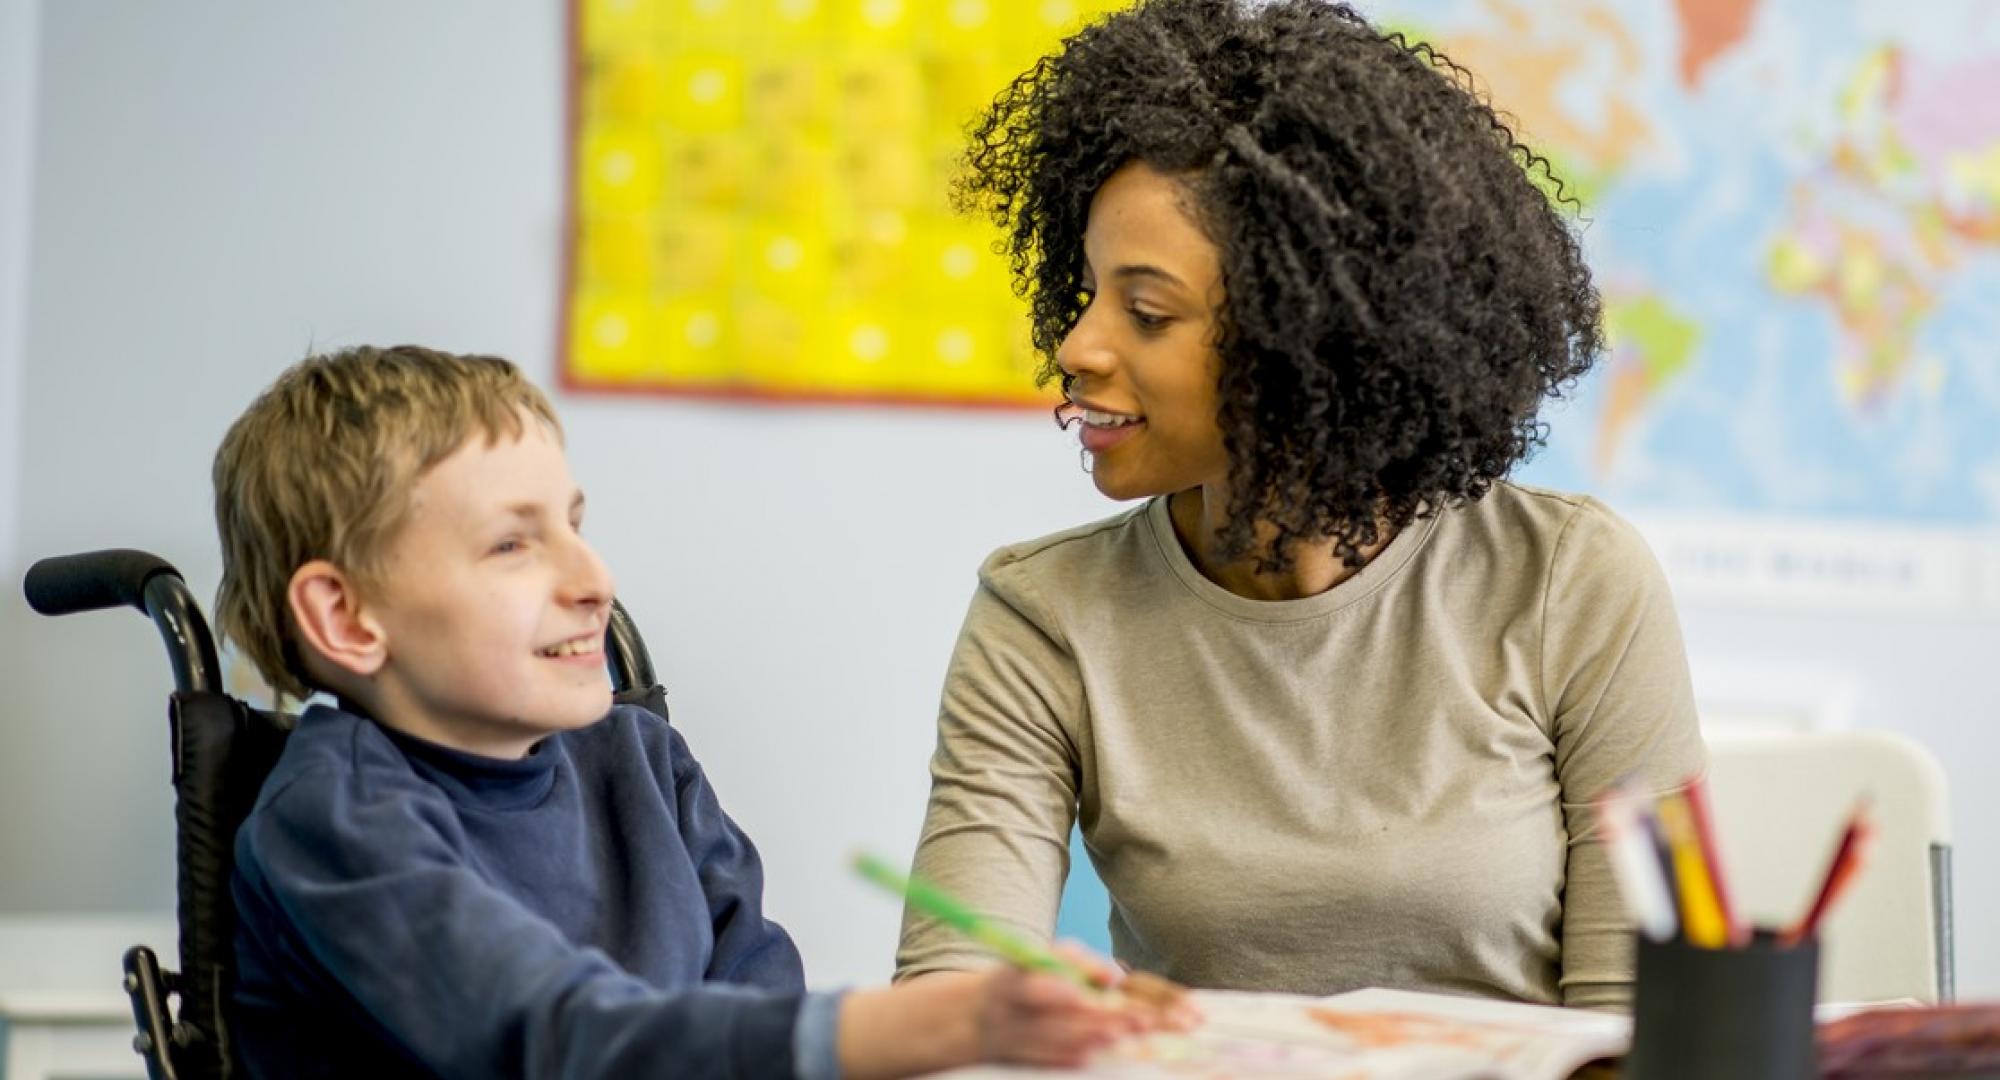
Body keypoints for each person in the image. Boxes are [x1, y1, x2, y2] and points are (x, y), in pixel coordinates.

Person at [896, 0, 1705, 1010]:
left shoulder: (1569, 583)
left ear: (1308, 340)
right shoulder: (1043, 616)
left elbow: (1644, 1027)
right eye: (1088, 292)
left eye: (1146, 311)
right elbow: (948, 1015)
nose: (1078, 347)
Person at [214, 345, 1181, 1079]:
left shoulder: (639, 760)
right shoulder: (333, 819)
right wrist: (955, 1018)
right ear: (346, 617)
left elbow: (758, 991)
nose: (594, 580)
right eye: (513, 545)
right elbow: (561, 1035)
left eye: (576, 526)